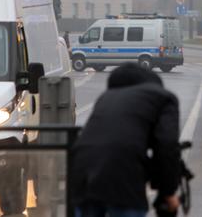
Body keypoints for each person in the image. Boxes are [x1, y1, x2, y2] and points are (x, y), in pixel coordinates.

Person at [71, 63, 181, 217]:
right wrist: (168, 192)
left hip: (81, 172)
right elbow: (167, 145)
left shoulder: (106, 97)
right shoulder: (163, 97)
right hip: (123, 176)